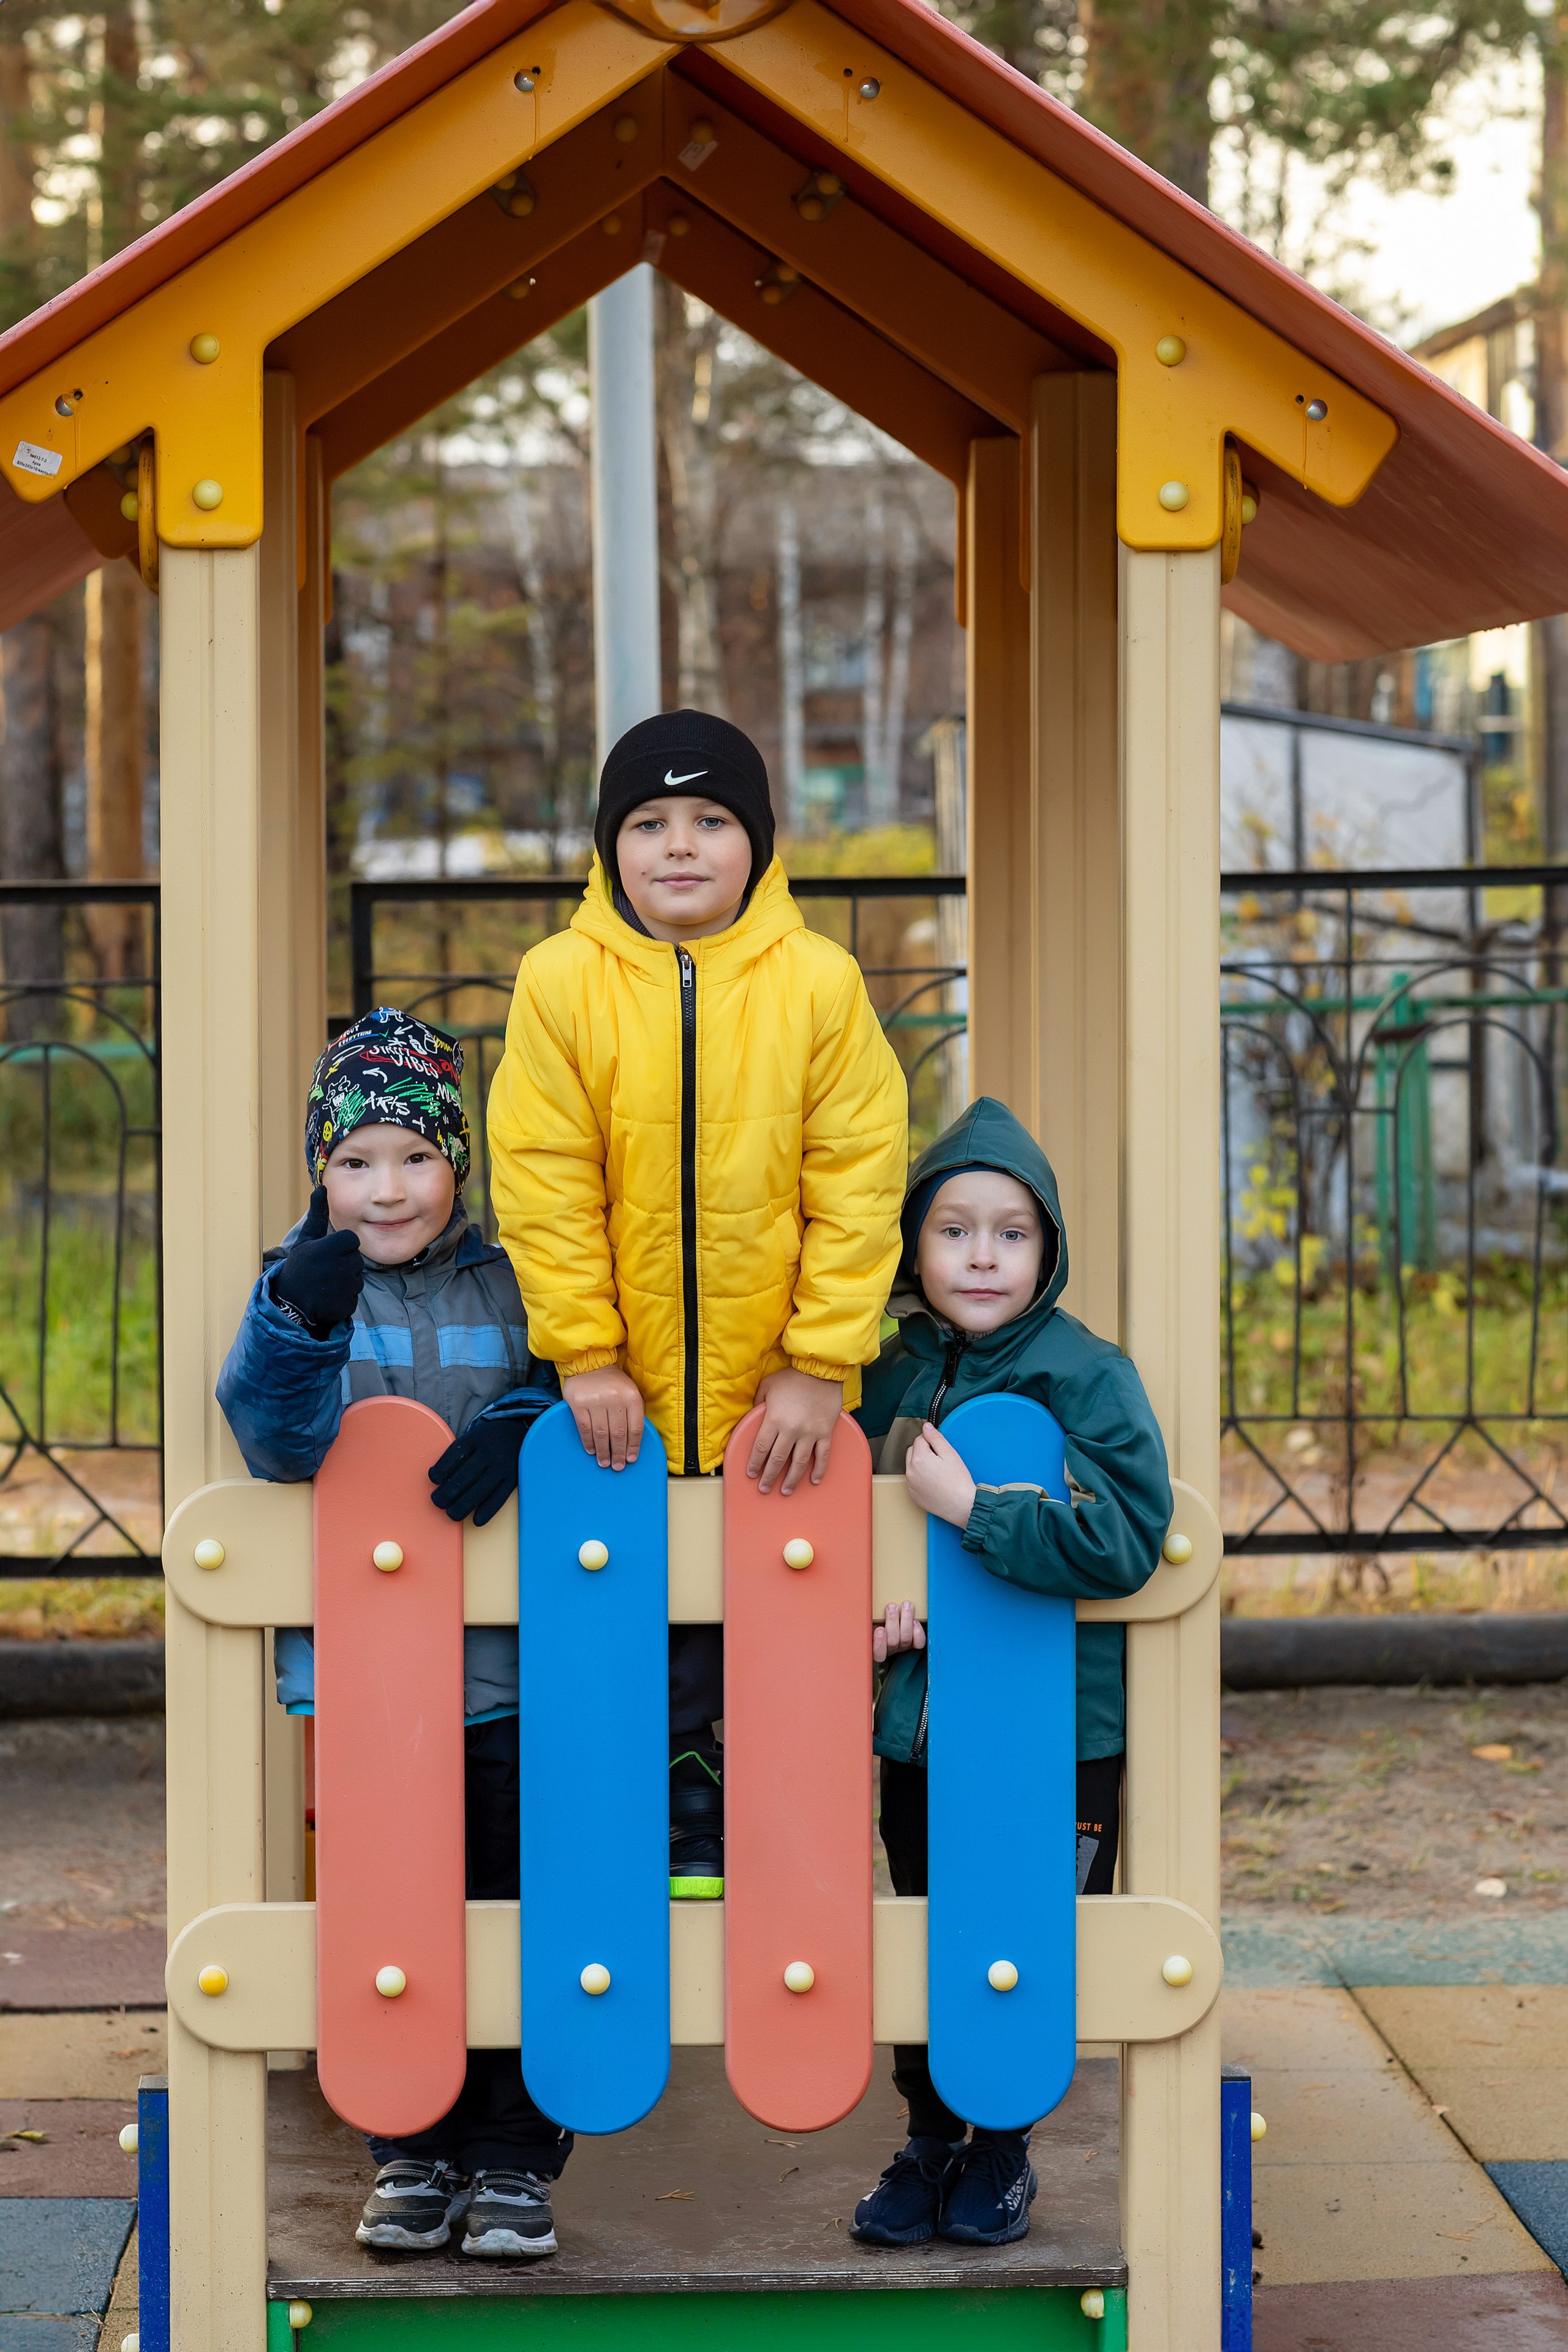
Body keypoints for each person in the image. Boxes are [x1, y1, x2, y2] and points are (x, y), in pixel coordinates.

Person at [488, 710, 908, 1895]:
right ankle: (661, 1811)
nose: (680, 847)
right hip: (616, 1400)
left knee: (776, 1620)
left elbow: (860, 1176)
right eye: (650, 823)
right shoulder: (561, 983)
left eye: (711, 821)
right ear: (610, 847)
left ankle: (772, 1828)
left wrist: (819, 1362)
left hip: (775, 1396)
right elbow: (542, 1174)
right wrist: (584, 1352)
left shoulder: (819, 984)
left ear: (758, 843)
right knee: (633, 1625)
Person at [217, 1007, 568, 2263]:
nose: (387, 1188)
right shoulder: (302, 1284)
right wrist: (297, 1323)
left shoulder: (511, 1280)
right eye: (356, 1161)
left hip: (511, 1675)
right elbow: (272, 1436)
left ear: (457, 1165)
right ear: (323, 1170)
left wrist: (524, 1420)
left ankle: (516, 2158)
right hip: (367, 1680)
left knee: (516, 1901)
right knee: (392, 1916)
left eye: (415, 1159)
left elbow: (573, 1389)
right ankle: (408, 2151)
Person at [851, 1095, 1172, 2248]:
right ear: (913, 1246)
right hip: (925, 1728)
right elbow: (837, 1539)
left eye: (1011, 1232)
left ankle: (1003, 2150)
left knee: (1022, 1939)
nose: (981, 1254)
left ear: (1048, 1250)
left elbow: (1125, 1536)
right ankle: (930, 2139)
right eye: (953, 1229)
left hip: (1056, 1736)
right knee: (931, 1924)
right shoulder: (880, 1373)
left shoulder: (1083, 1376)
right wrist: (873, 1612)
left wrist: (975, 1511)